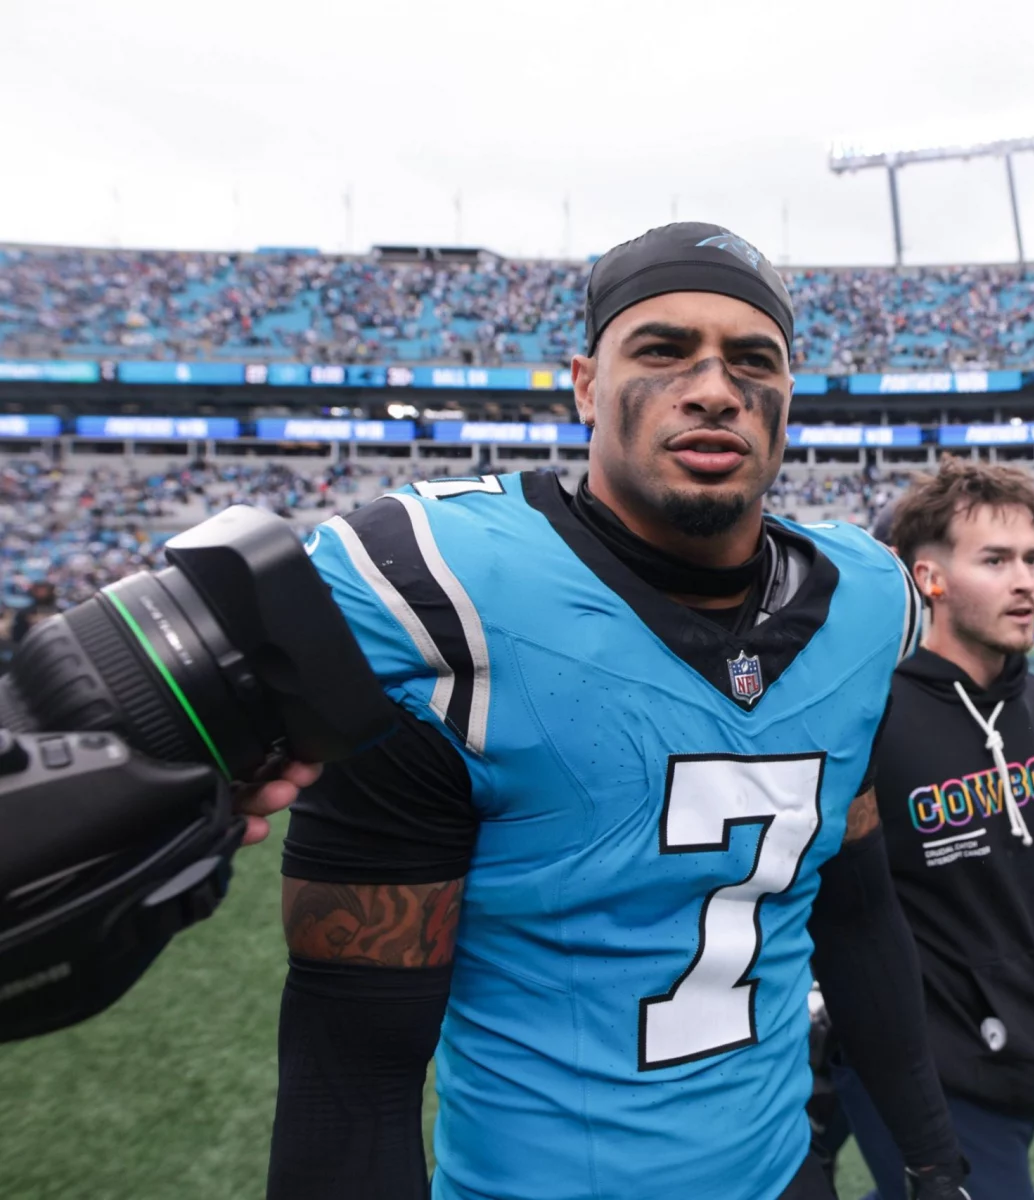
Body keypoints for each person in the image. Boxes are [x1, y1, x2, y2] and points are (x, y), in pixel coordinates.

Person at [262, 223, 969, 1200]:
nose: (715, 388)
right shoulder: (442, 595)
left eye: (752, 360)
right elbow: (352, 1066)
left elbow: (856, 915)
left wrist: (933, 1161)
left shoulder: (864, 602)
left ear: (787, 396)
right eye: (664, 349)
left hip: (784, 1173)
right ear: (587, 386)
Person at [833, 461, 1034, 1200]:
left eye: (1032, 558)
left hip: (1025, 1040)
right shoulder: (871, 720)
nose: (1026, 582)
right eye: (995, 561)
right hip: (914, 1062)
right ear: (929, 579)